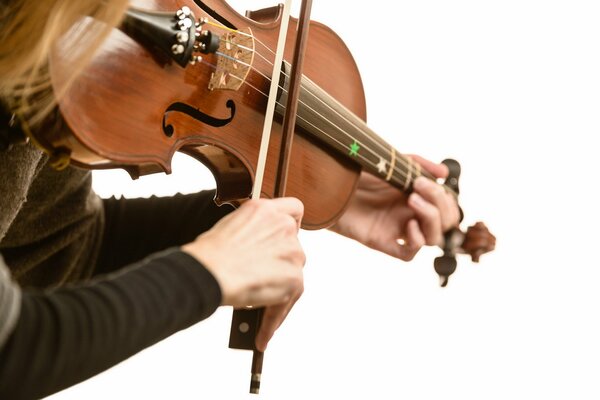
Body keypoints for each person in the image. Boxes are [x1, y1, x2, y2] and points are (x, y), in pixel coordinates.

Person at [0, 0, 460, 399]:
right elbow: (13, 347)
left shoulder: (41, 56)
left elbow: (61, 251)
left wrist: (301, 179)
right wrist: (207, 273)